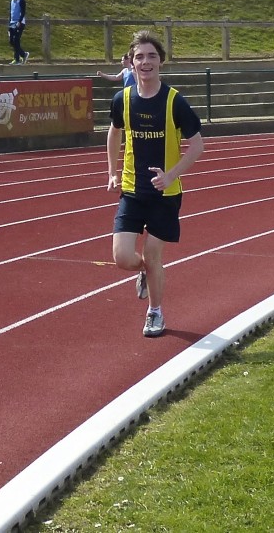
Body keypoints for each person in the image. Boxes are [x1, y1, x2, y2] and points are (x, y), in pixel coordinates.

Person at [107, 30, 205, 338]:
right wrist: (112, 170)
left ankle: (155, 313)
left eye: (151, 56)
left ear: (160, 61)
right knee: (123, 257)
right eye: (139, 57)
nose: (145, 62)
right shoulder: (122, 99)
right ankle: (145, 274)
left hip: (165, 194)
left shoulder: (174, 101)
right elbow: (113, 133)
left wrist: (171, 174)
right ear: (131, 63)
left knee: (153, 256)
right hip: (132, 190)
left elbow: (198, 145)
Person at [7, 0, 28, 64]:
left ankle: (17, 59)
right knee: (11, 41)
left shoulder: (21, 0)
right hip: (12, 23)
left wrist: (19, 21)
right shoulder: (12, 0)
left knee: (16, 40)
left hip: (19, 23)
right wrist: (9, 22)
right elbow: (11, 12)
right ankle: (23, 54)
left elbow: (23, 12)